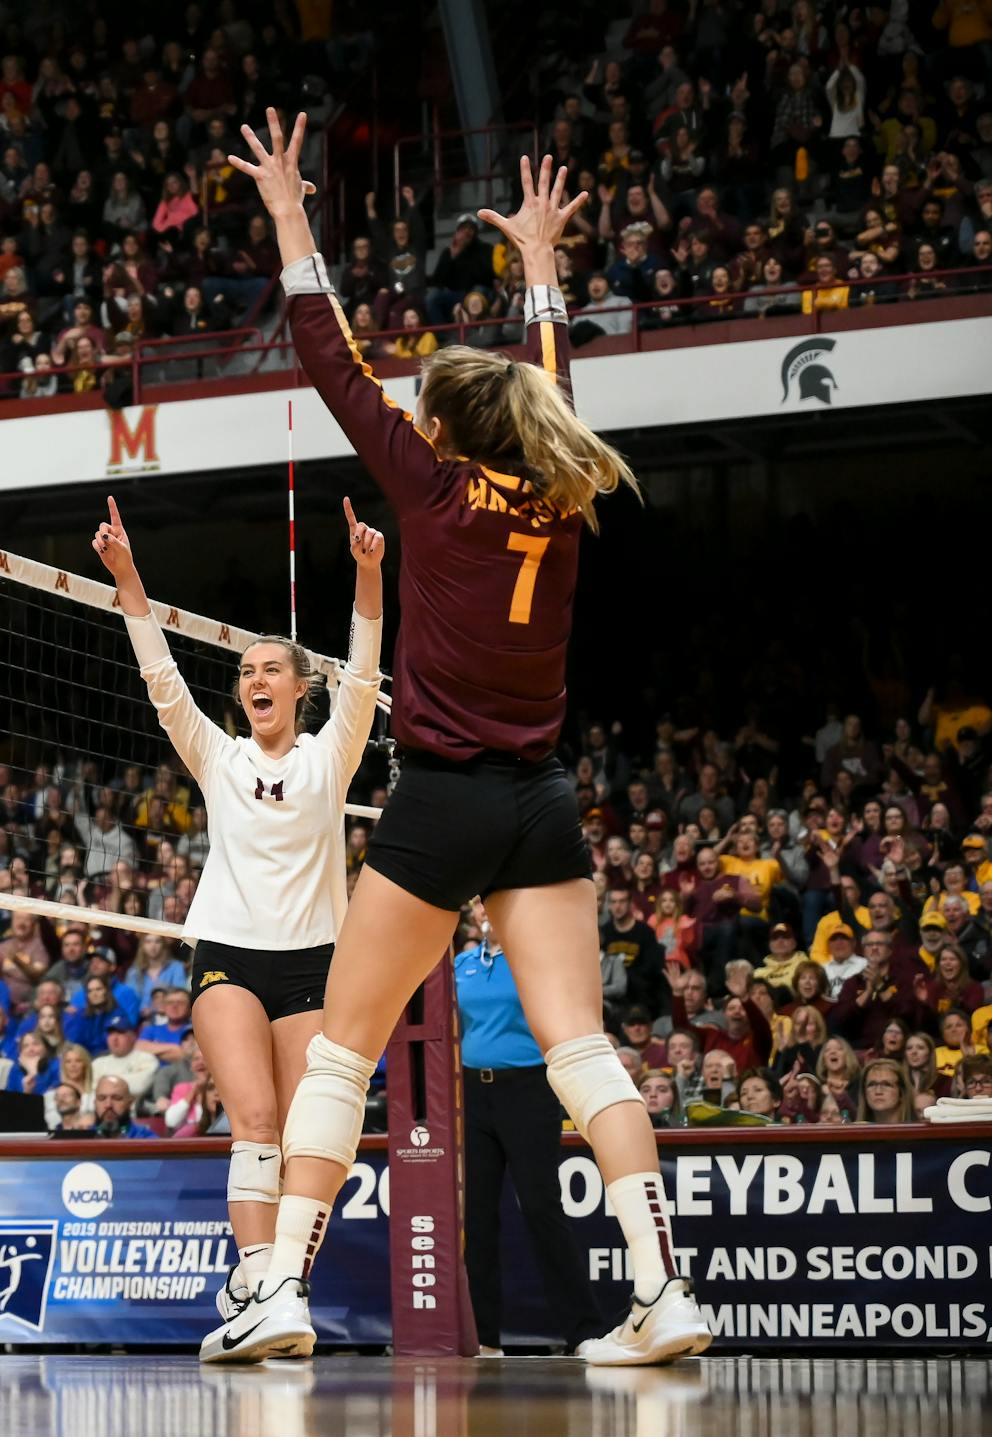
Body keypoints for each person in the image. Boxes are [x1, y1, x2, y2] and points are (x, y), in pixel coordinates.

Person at [227, 116, 709, 1366]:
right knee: (582, 1049)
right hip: (540, 800)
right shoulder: (558, 489)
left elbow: (330, 359)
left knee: (341, 1053)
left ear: (443, 432)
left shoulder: (433, 490)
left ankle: (280, 1292)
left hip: (441, 801)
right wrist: (543, 268)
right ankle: (662, 1291)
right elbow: (554, 392)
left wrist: (290, 216)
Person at [92, 486, 383, 1363]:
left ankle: (275, 1286)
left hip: (312, 961)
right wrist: (128, 575)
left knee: (304, 1133)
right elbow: (161, 679)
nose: (255, 679)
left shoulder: (331, 754)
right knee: (254, 1117)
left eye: (270, 669)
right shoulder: (216, 756)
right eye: (247, 670)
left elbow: (364, 668)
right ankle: (259, 1287)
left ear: (301, 687)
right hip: (227, 951)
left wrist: (368, 574)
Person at [454, 915, 610, 1355]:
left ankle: (584, 1331)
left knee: (542, 1208)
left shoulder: (534, 957)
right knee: (476, 1217)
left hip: (528, 1087)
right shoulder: (463, 963)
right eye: (480, 904)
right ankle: (483, 1338)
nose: (487, 913)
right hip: (472, 1092)